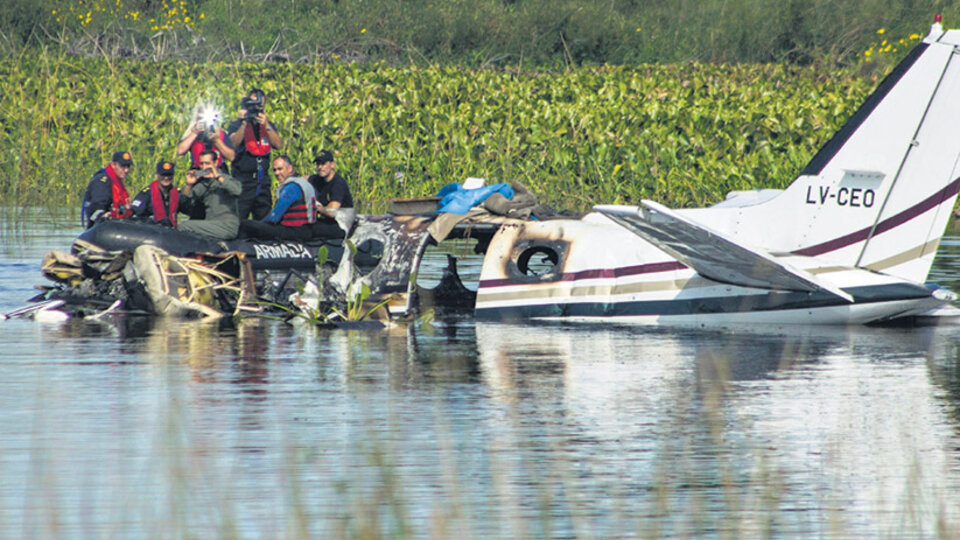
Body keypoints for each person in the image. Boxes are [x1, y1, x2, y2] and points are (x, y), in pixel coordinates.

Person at [226, 88, 282, 220]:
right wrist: (244, 122)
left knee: (263, 220)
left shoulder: (267, 125)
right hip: (243, 180)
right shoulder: (237, 124)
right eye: (253, 105)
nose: (256, 109)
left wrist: (266, 124)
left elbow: (278, 145)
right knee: (240, 218)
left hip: (262, 180)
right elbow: (233, 144)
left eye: (259, 106)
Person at [239, 155, 317, 242]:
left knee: (245, 224)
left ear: (290, 168)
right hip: (306, 230)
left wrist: (259, 225)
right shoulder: (304, 183)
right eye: (274, 170)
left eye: (280, 169)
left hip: (294, 231)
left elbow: (274, 217)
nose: (276, 173)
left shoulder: (291, 187)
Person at [178, 150, 242, 240]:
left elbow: (237, 190)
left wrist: (217, 177)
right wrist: (189, 185)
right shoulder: (204, 184)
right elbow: (185, 201)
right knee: (185, 224)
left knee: (184, 226)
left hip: (226, 226)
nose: (204, 167)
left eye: (207, 163)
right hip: (211, 225)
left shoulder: (226, 178)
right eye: (201, 164)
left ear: (215, 163)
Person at [307, 150, 355, 239]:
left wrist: (316, 206)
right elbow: (303, 179)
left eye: (323, 163)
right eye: (318, 164)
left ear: (332, 165)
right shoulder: (318, 179)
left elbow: (331, 212)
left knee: (309, 229)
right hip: (327, 222)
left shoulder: (338, 183)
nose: (320, 167)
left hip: (341, 225)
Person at [81, 151, 134, 228]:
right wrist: (103, 215)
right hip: (101, 229)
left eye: (128, 166)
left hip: (118, 226)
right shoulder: (103, 181)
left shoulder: (118, 182)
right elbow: (96, 207)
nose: (126, 170)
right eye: (123, 166)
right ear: (113, 164)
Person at [176, 105, 235, 173]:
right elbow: (180, 151)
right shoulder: (192, 134)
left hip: (218, 171)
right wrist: (194, 133)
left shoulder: (220, 134)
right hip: (199, 172)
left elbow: (231, 157)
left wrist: (217, 141)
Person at [131, 160, 180, 226]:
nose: (166, 178)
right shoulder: (146, 193)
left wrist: (189, 185)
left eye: (169, 175)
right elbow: (134, 211)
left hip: (170, 231)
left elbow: (188, 207)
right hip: (152, 230)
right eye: (163, 175)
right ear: (157, 175)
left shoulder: (177, 193)